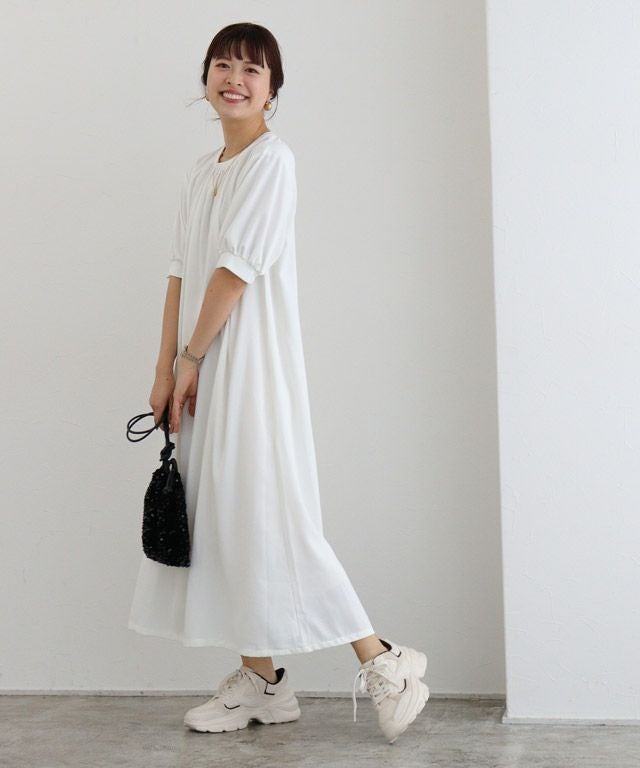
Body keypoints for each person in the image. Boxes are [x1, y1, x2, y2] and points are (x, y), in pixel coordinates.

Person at [127, 22, 429, 744]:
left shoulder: (271, 162)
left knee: (275, 517)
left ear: (272, 90)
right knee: (226, 521)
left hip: (249, 368)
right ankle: (263, 681)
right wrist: (165, 369)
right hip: (201, 366)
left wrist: (191, 359)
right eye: (222, 65)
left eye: (251, 69)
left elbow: (234, 272)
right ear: (205, 78)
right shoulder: (203, 170)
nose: (234, 79)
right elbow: (179, 273)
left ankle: (383, 659)